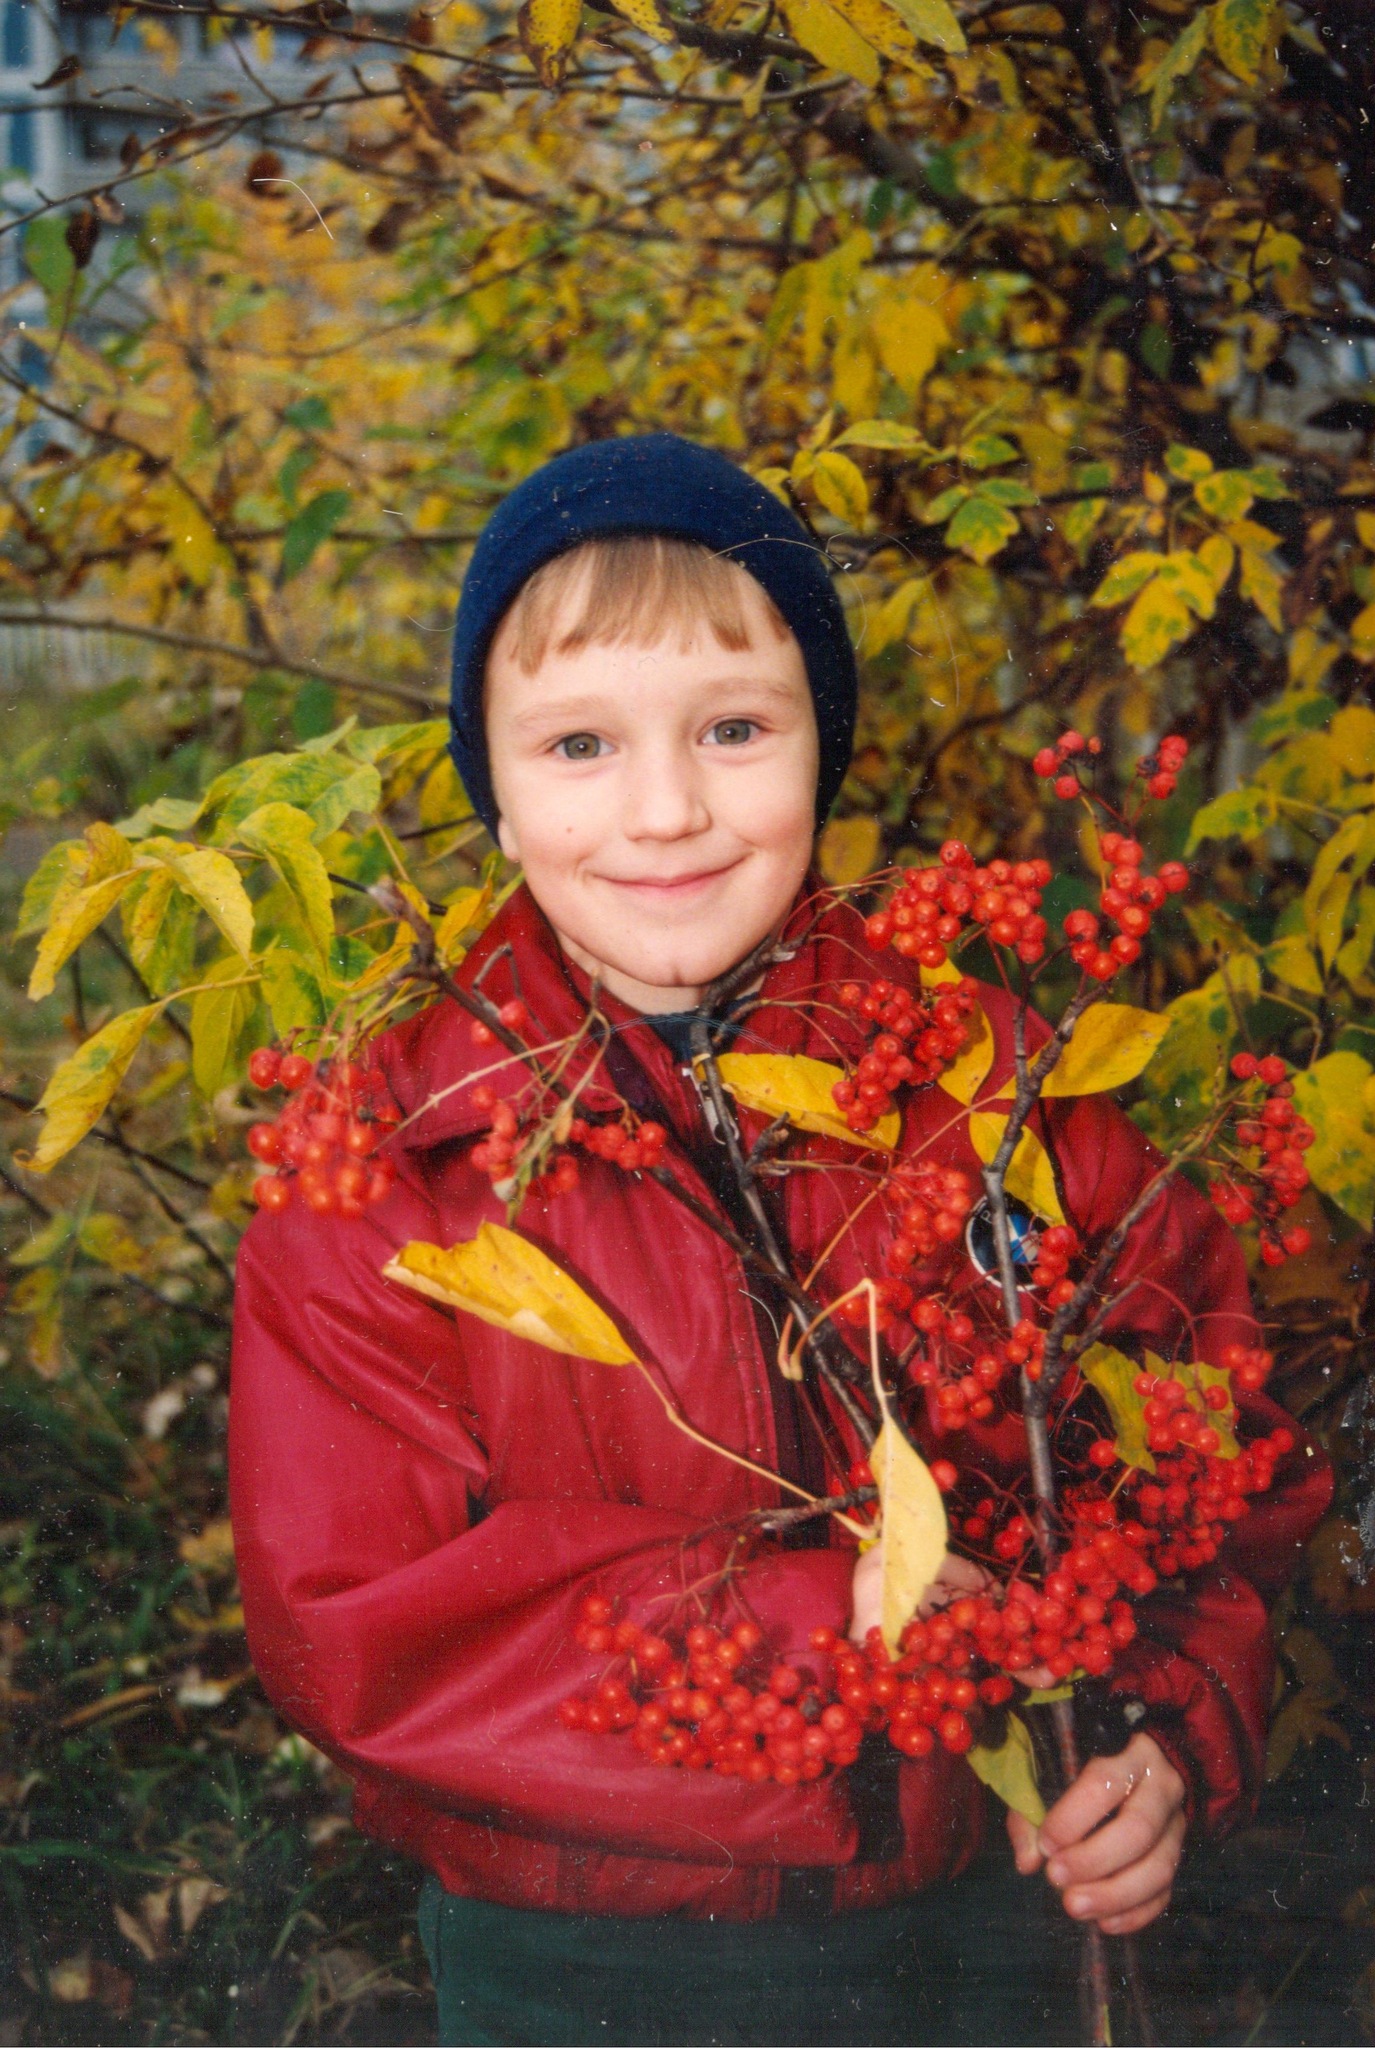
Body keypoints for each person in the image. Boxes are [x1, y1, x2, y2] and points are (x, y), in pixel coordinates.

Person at [229, 434, 1332, 2046]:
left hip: (993, 1915)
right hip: (586, 1965)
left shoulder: (999, 1087)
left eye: (735, 730)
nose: (667, 809)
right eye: (581, 743)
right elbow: (359, 1630)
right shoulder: (393, 1170)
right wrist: (827, 1627)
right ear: (494, 789)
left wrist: (1167, 1725)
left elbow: (1211, 1456)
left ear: (826, 746)